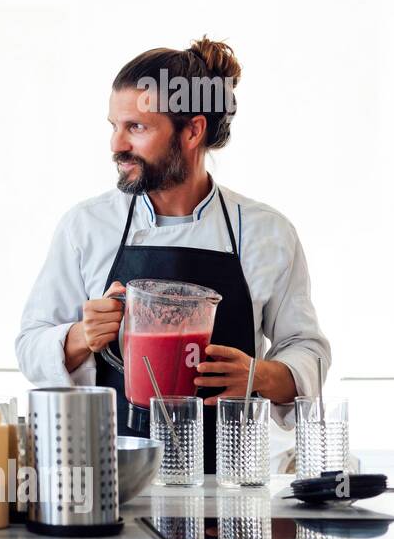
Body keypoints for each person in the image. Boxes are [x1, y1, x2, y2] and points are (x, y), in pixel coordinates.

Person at [16, 37, 329, 471]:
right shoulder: (85, 226)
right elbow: (31, 344)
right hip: (114, 483)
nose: (116, 145)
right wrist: (80, 336)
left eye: (136, 128)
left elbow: (307, 347)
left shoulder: (265, 232)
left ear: (193, 130)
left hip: (231, 492)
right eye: (114, 125)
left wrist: (262, 376)